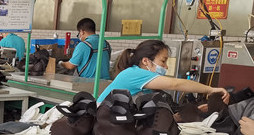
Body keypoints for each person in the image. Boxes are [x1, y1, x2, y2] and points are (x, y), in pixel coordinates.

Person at [97, 39, 229, 104]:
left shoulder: (144, 81)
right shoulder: (135, 73)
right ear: (145, 61)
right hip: (105, 122)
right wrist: (211, 90)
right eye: (163, 61)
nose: (166, 67)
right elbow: (175, 84)